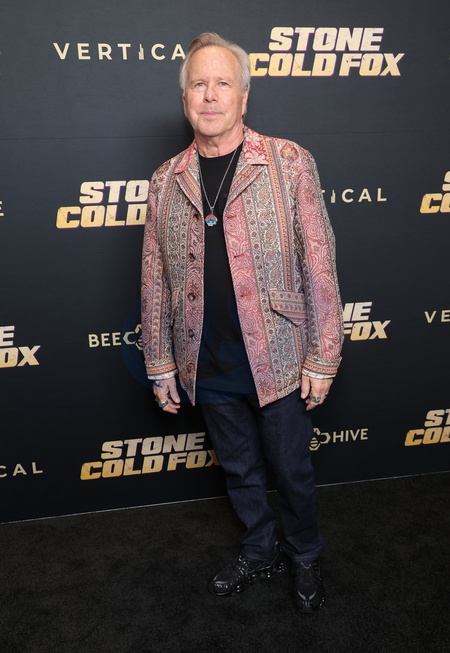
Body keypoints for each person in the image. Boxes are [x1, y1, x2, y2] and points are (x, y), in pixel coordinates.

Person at [141, 32, 343, 613]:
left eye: (222, 83)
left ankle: (304, 553)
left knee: (291, 470)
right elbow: (154, 275)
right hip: (206, 358)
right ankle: (259, 549)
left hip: (279, 354)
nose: (210, 95)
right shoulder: (165, 179)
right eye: (198, 85)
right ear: (185, 99)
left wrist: (324, 354)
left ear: (244, 95)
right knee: (239, 469)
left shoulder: (288, 161)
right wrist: (159, 362)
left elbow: (319, 262)